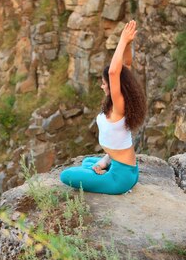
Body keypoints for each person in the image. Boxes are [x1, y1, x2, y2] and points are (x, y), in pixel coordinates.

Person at [60, 19, 147, 195]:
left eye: (103, 83)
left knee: (66, 175)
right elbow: (126, 65)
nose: (102, 86)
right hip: (119, 165)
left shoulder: (119, 105)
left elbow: (114, 72)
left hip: (120, 178)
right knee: (88, 163)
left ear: (113, 85)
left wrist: (122, 40)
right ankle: (102, 167)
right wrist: (128, 44)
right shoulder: (120, 103)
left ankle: (103, 175)